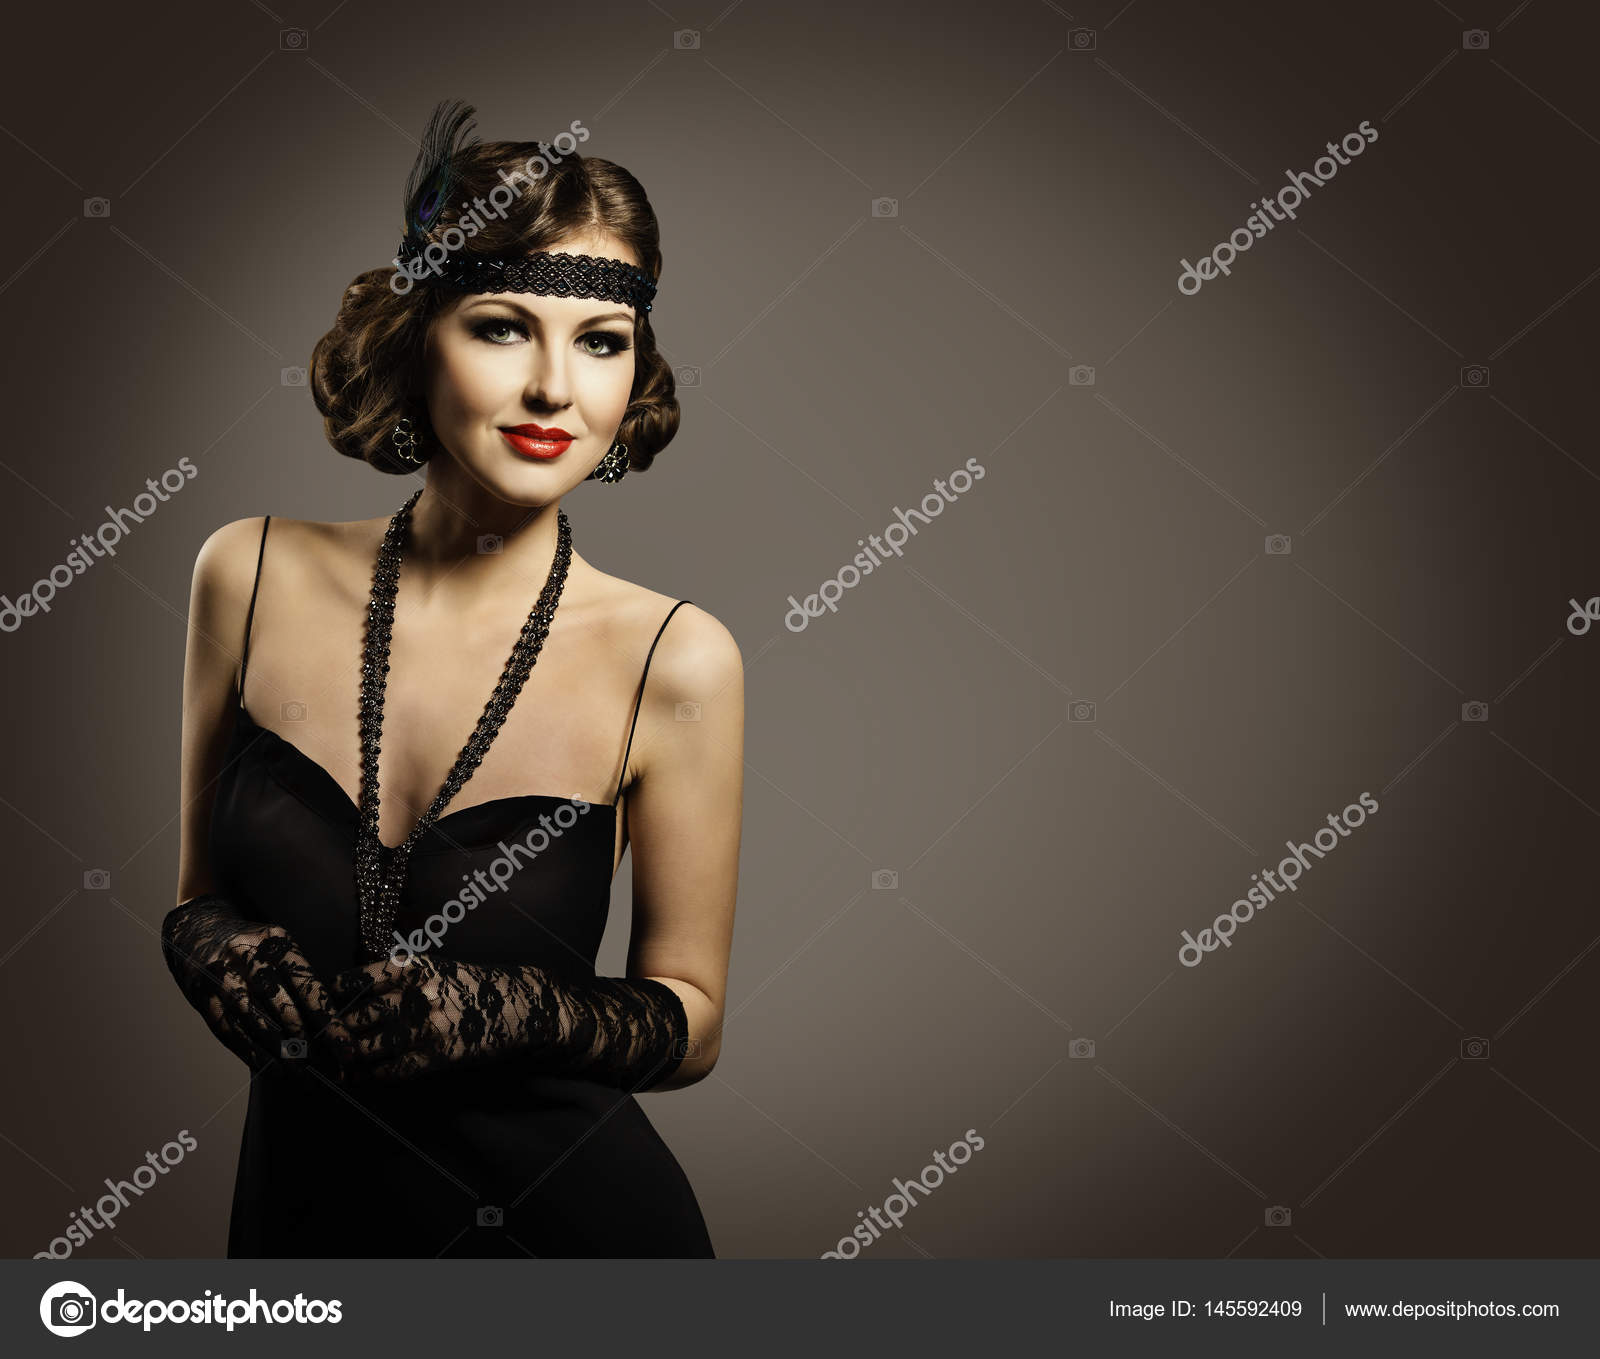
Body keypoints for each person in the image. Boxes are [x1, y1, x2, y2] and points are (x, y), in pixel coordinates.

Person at [161, 100, 743, 1258]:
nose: (554, 391)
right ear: (416, 332)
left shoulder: (675, 658)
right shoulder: (248, 570)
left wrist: (507, 1011)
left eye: (600, 341)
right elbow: (194, 894)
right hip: (303, 1228)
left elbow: (694, 1019)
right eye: (500, 327)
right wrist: (205, 947)